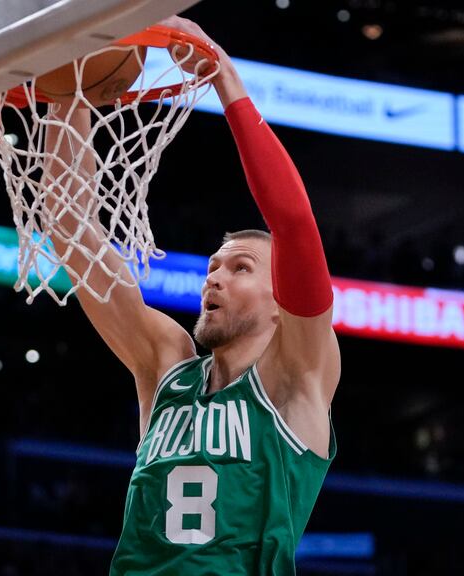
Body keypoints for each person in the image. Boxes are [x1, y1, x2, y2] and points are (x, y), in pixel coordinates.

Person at [43, 17, 340, 575]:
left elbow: (294, 222)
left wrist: (225, 80)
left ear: (282, 302)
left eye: (240, 267)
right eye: (213, 267)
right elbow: (69, 225)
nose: (215, 277)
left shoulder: (297, 378)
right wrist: (70, 91)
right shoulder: (167, 366)